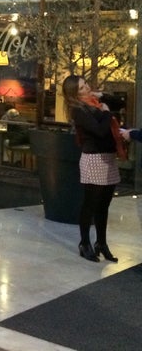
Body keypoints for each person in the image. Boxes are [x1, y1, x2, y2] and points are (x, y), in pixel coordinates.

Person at [62, 75, 122, 263]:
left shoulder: (95, 102)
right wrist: (106, 113)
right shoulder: (78, 110)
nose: (87, 88)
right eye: (81, 88)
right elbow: (99, 130)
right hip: (94, 159)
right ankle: (85, 242)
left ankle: (101, 243)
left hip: (109, 157)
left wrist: (101, 96)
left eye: (85, 84)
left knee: (104, 206)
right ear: (74, 94)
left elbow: (119, 102)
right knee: (91, 204)